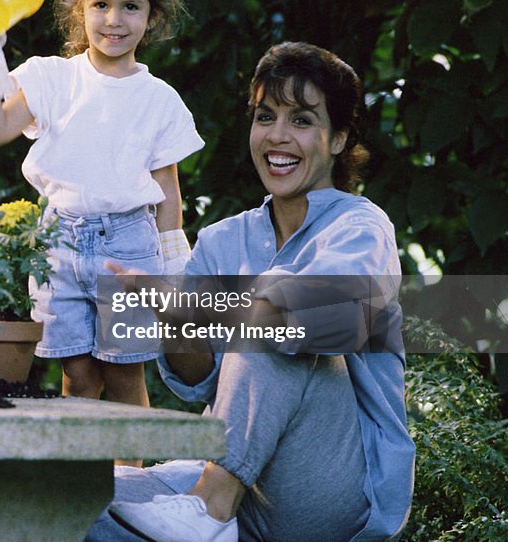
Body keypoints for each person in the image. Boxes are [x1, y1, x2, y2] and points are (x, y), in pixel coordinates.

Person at [87, 42, 415, 542]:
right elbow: (197, 382)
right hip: (234, 471)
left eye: (302, 121)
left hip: (330, 491)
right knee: (79, 496)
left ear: (339, 139)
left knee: (280, 320)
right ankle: (207, 510)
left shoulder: (361, 226)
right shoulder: (224, 239)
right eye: (266, 117)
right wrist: (176, 316)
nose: (277, 137)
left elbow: (323, 323)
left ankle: (210, 508)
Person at [0, 0, 205, 407]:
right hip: (60, 245)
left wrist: (173, 265)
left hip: (129, 249)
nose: (114, 20)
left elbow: (167, 189)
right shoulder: (52, 78)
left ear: (153, 16)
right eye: (101, 4)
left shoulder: (159, 100)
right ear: (79, 8)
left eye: (131, 7)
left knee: (125, 376)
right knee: (79, 376)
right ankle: (87, 482)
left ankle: (130, 479)